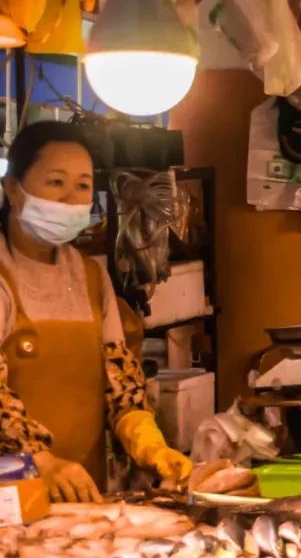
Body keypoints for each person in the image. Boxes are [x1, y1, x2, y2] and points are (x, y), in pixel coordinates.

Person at [0, 121, 193, 502]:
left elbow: (119, 380)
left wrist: (149, 444)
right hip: (11, 498)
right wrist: (41, 460)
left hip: (85, 492)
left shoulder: (91, 275)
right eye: (55, 182)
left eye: (83, 185)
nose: (70, 198)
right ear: (12, 189)